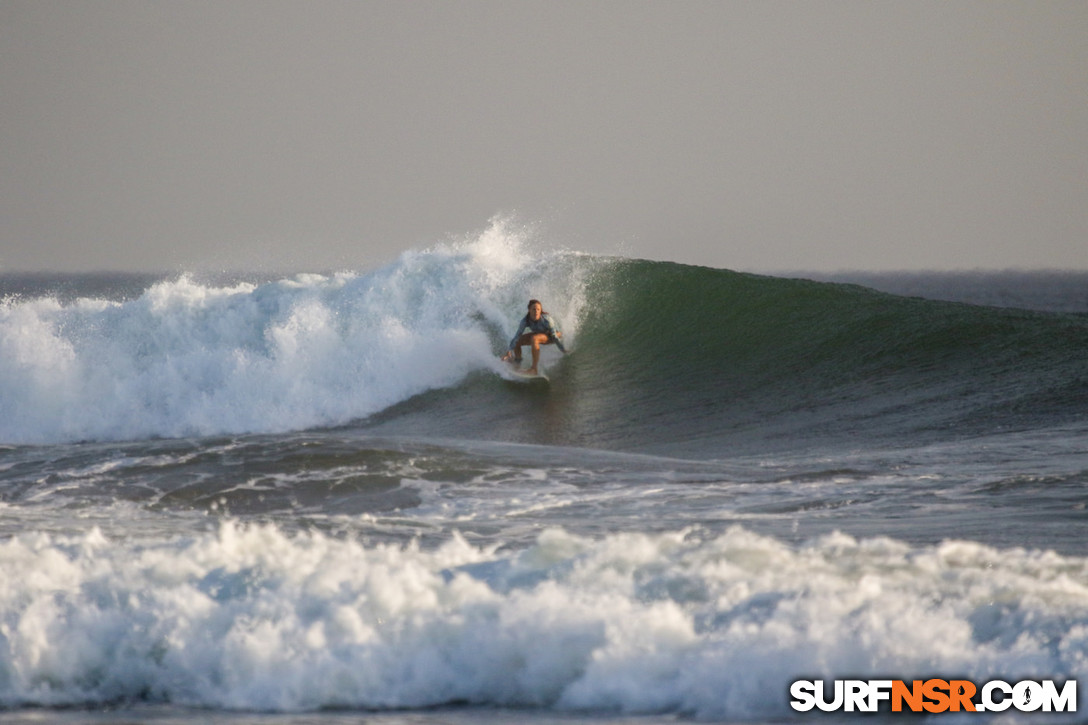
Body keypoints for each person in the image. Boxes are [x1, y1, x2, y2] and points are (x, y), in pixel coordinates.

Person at [500, 299, 566, 375]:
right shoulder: (525, 321)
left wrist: (562, 349)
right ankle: (517, 363)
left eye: (538, 309)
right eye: (534, 309)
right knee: (518, 341)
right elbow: (517, 336)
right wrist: (508, 351)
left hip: (551, 335)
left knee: (534, 338)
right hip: (539, 334)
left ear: (541, 310)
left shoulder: (547, 320)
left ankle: (534, 369)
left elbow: (554, 337)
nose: (536, 311)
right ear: (529, 310)